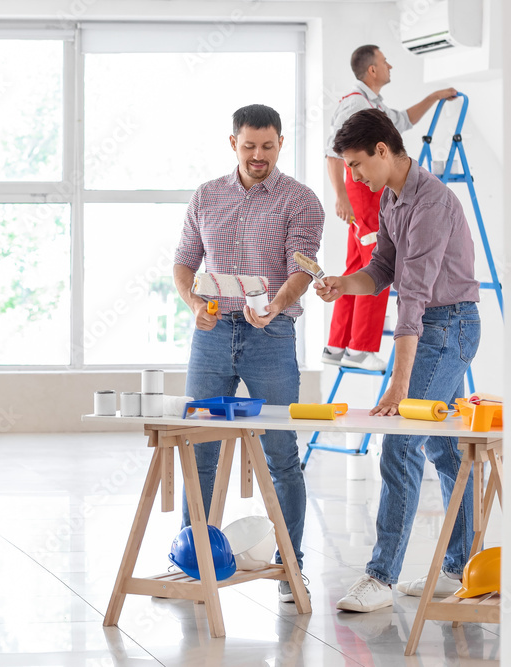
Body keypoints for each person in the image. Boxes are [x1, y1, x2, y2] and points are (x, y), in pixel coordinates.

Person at [319, 109, 479, 613]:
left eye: (357, 164)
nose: (353, 176)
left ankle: (381, 577)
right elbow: (383, 269)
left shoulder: (431, 202)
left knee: (400, 443)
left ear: (383, 151)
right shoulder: (391, 197)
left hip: (447, 326)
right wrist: (346, 285)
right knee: (446, 451)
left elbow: (412, 297)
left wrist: (399, 383)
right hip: (434, 325)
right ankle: (461, 569)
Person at [173, 104, 324, 602]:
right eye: (248, 146)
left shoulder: (301, 201)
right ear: (232, 143)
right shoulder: (207, 196)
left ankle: (290, 564)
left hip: (271, 336)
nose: (258, 156)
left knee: (282, 455)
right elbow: (183, 261)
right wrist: (194, 303)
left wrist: (278, 304)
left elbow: (303, 267)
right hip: (212, 335)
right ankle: (192, 560)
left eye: (268, 146)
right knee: (200, 451)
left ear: (281, 142)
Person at [323, 45, 457, 371]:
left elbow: (403, 120)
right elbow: (334, 152)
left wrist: (434, 97)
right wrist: (342, 196)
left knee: (356, 262)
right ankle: (361, 348)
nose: (389, 65)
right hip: (362, 188)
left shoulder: (372, 102)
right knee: (378, 261)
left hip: (363, 186)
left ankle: (337, 344)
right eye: (384, 62)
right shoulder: (356, 104)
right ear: (372, 70)